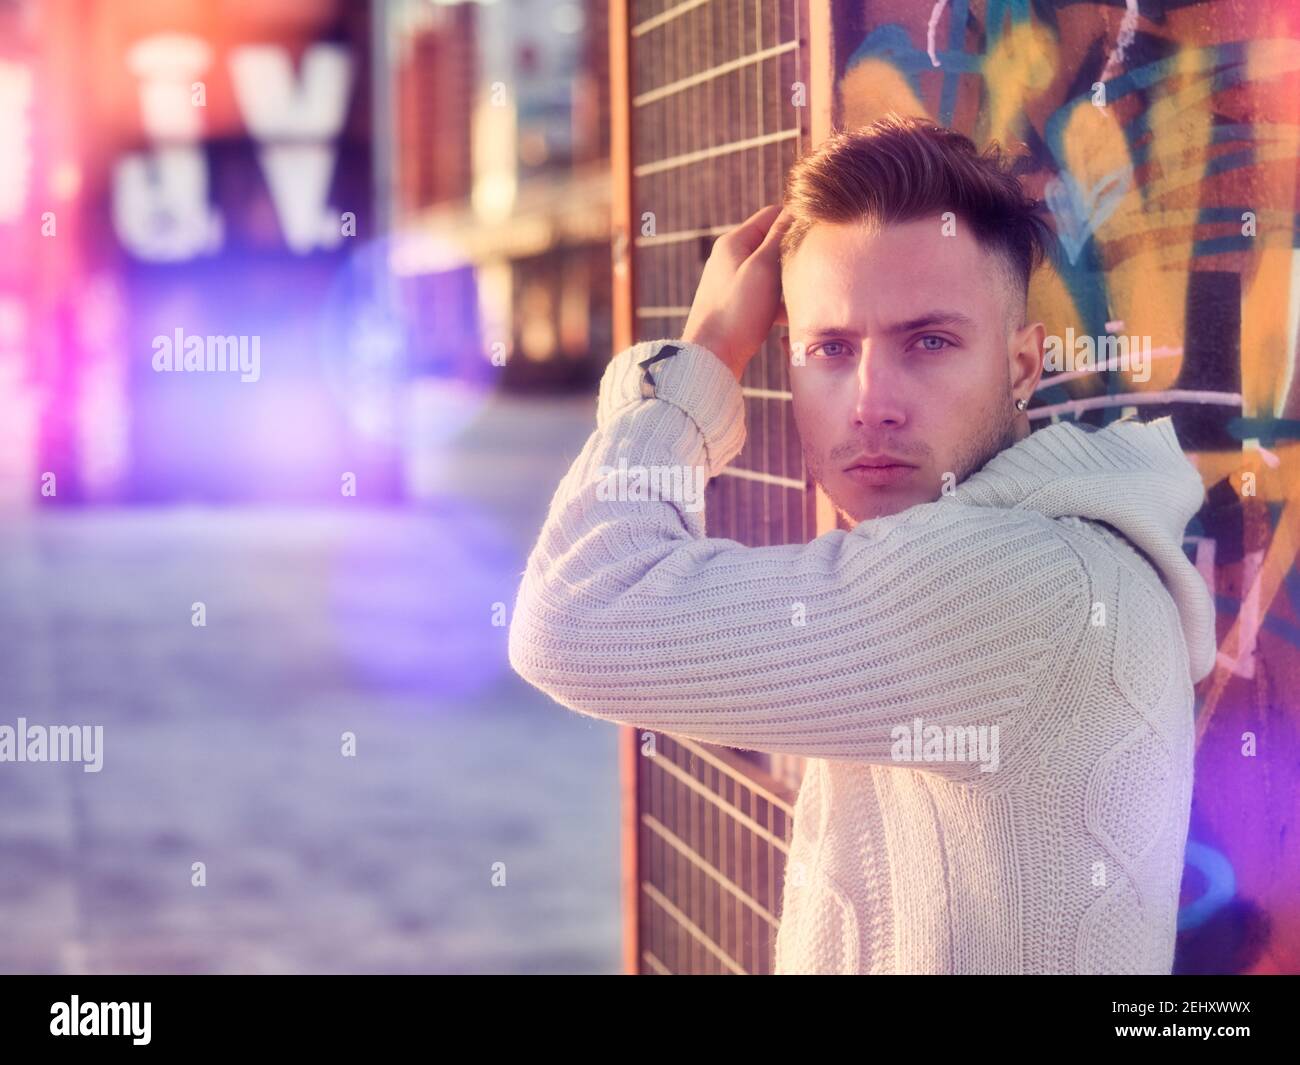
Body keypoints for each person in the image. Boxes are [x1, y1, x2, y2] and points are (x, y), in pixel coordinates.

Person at [507, 114, 1218, 974]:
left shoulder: (1028, 582)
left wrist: (700, 357)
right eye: (831, 348)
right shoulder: (1018, 563)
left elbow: (576, 616)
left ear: (1025, 366)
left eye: (929, 342)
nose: (871, 400)